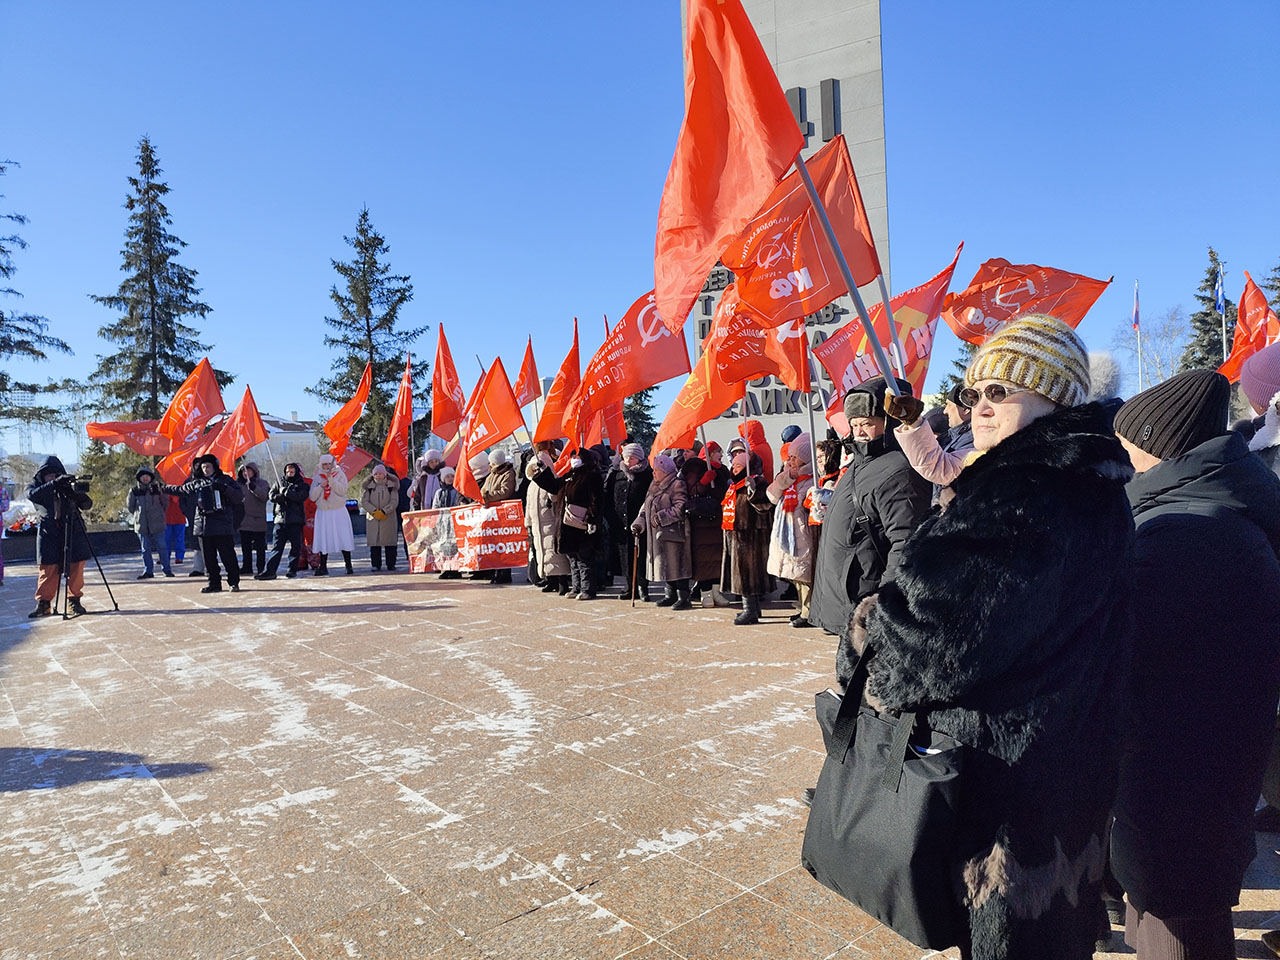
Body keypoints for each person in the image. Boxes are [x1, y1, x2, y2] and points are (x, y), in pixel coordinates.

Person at [854, 315, 1135, 960]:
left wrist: (866, 633)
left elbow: (930, 644)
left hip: (1013, 787)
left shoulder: (1026, 490)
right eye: (974, 393)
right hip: (1064, 765)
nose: (979, 406)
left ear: (1055, 398)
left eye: (1001, 391)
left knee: (1012, 943)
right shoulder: (1090, 479)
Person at [1107, 370, 1280, 960]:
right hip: (1192, 759)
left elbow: (1125, 648)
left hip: (1180, 769)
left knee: (1178, 918)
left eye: (1130, 446)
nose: (1123, 460)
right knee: (1166, 900)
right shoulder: (1209, 503)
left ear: (1157, 446)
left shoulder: (1187, 530)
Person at [811, 378, 932, 639]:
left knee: (871, 676)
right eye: (854, 424)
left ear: (890, 423)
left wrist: (882, 607)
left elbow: (906, 543)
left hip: (867, 606)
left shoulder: (899, 470)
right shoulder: (862, 462)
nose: (859, 432)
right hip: (847, 598)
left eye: (867, 423)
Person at [162, 454, 245, 594]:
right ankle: (214, 583)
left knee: (228, 557)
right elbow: (180, 490)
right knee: (209, 559)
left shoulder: (225, 480)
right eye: (203, 467)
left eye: (208, 466)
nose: (206, 469)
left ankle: (233, 582)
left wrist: (224, 488)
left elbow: (238, 497)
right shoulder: (197, 482)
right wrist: (162, 488)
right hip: (203, 527)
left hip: (222, 526)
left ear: (215, 467)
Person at [532, 447, 604, 600]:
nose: (574, 459)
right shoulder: (569, 475)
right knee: (573, 558)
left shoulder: (591, 475)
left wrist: (592, 519)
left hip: (583, 524)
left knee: (585, 558)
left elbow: (596, 499)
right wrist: (542, 470)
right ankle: (576, 587)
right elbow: (553, 486)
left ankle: (588, 589)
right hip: (568, 525)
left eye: (577, 456)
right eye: (572, 456)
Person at [27, 456, 93, 617]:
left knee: (76, 566)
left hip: (72, 530)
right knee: (48, 568)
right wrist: (54, 484)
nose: (53, 477)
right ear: (42, 476)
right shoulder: (37, 487)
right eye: (49, 475)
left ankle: (74, 601)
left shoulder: (66, 487)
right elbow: (33, 495)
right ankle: (44, 603)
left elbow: (87, 505)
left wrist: (75, 491)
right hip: (49, 533)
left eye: (56, 474)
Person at [888, 383, 975, 505]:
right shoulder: (951, 436)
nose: (945, 411)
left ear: (966, 410)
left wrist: (914, 421)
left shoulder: (975, 440)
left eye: (949, 406)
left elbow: (941, 468)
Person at [765, 432, 815, 628]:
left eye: (796, 457)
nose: (791, 460)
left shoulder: (812, 478)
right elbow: (772, 496)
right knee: (796, 576)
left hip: (802, 534)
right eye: (791, 457)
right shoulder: (789, 477)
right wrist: (785, 477)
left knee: (805, 577)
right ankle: (803, 609)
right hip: (787, 532)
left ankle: (808, 612)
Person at [633, 454, 692, 609]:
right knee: (666, 565)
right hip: (658, 534)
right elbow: (645, 507)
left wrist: (661, 517)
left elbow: (681, 507)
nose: (654, 473)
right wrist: (639, 522)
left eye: (657, 470)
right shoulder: (654, 485)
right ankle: (669, 595)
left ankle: (683, 597)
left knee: (677, 565)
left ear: (666, 471)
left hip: (675, 533)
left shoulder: (677, 483)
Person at [720, 450, 773, 625]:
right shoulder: (734, 485)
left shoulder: (758, 482)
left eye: (739, 466)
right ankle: (753, 609)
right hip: (736, 536)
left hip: (751, 537)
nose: (735, 469)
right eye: (734, 465)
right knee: (744, 573)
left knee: (747, 575)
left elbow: (765, 506)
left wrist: (753, 492)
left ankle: (750, 610)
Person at [606, 443, 652, 601]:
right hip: (620, 522)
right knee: (625, 556)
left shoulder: (647, 475)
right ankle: (629, 586)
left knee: (640, 555)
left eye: (631, 458)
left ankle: (642, 587)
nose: (627, 461)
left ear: (639, 458)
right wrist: (612, 518)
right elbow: (608, 498)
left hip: (640, 523)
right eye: (625, 457)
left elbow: (649, 498)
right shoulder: (616, 474)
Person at [524, 449, 570, 594]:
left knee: (556, 553)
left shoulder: (553, 479)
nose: (536, 470)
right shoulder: (531, 485)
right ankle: (551, 580)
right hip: (538, 523)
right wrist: (528, 522)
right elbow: (529, 505)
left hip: (551, 521)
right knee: (542, 553)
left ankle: (563, 582)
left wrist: (548, 481)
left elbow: (556, 497)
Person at [257, 462, 309, 580]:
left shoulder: (302, 484)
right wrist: (278, 497)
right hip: (280, 520)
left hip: (295, 521)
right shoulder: (279, 482)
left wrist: (286, 493)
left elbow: (301, 496)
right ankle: (270, 571)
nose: (289, 474)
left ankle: (292, 569)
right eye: (287, 472)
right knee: (277, 547)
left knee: (295, 547)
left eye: (292, 472)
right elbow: (271, 495)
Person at [310, 453, 354, 576]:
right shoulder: (317, 477)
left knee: (343, 537)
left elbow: (342, 490)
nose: (327, 466)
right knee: (324, 538)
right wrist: (321, 486)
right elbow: (312, 496)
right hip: (323, 512)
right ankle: (323, 566)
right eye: (325, 464)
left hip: (338, 510)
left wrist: (332, 481)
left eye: (329, 464)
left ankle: (348, 565)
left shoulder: (340, 474)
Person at [128, 466, 172, 579]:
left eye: (147, 476)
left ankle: (167, 569)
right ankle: (148, 570)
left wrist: (159, 514)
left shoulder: (158, 489)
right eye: (143, 476)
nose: (145, 478)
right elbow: (130, 507)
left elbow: (165, 503)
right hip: (142, 525)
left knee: (162, 547)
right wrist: (138, 515)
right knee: (145, 549)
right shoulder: (134, 491)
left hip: (158, 523)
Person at [482, 449, 518, 584]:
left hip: (502, 514)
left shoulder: (508, 473)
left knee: (504, 543)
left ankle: (505, 573)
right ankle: (497, 571)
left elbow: (506, 492)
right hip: (492, 514)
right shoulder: (491, 474)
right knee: (495, 544)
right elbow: (485, 489)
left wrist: (488, 497)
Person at [360, 463, 400, 572]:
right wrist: (373, 511)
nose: (379, 476)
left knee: (390, 543)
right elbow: (364, 501)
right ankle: (375, 564)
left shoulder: (392, 486)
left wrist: (384, 511)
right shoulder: (369, 488)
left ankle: (391, 564)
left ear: (385, 474)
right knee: (375, 544)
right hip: (373, 519)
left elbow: (394, 501)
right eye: (376, 474)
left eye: (381, 473)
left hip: (388, 518)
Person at [236, 462, 269, 576]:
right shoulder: (238, 485)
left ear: (254, 472)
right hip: (243, 520)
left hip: (257, 520)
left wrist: (254, 488)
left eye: (248, 471)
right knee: (245, 546)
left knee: (260, 546)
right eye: (244, 471)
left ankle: (261, 567)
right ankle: (247, 566)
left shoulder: (262, 483)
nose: (246, 473)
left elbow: (265, 496)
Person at [432, 466, 465, 580]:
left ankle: (456, 569)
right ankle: (446, 568)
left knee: (454, 546)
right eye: (447, 477)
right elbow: (435, 507)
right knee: (443, 546)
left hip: (454, 522)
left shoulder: (457, 490)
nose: (450, 479)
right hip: (443, 523)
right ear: (443, 479)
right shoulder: (439, 493)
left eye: (452, 476)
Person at [164, 491, 187, 566]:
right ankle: (164, 557)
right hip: (167, 518)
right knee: (166, 539)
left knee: (179, 539)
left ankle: (179, 557)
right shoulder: (165, 491)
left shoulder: (182, 490)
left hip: (180, 518)